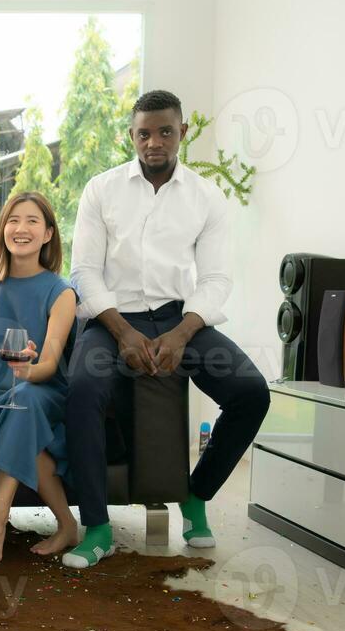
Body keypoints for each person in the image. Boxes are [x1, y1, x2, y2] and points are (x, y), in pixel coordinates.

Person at [66, 89, 270, 569]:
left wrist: (181, 334)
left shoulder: (207, 196)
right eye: (143, 133)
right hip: (112, 318)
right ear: (132, 136)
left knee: (251, 392)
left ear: (182, 132)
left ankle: (196, 496)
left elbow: (217, 278)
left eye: (164, 131)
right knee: (82, 389)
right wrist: (121, 332)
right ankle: (96, 525)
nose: (153, 141)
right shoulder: (102, 189)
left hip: (183, 320)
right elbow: (84, 272)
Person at [0, 192, 81, 566]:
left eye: (33, 221)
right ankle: (66, 525)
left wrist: (28, 370)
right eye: (14, 220)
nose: (21, 228)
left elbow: (49, 363)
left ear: (48, 234)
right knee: (29, 434)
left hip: (42, 391)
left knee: (27, 401)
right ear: (3, 230)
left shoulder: (60, 292)